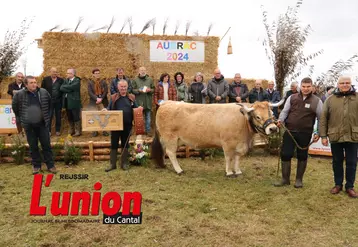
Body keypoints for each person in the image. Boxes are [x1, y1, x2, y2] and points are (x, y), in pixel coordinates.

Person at [276, 77, 322, 188]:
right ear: (300, 86)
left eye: (308, 87)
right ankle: (285, 179)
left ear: (312, 87)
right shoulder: (292, 98)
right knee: (286, 154)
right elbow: (285, 111)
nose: (305, 89)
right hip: (289, 131)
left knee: (302, 156)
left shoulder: (317, 101)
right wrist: (280, 120)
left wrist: (318, 132)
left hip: (305, 133)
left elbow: (321, 118)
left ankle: (299, 180)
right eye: (303, 86)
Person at [319, 76, 358, 198]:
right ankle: (338, 184)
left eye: (347, 83)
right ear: (338, 84)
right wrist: (323, 136)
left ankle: (350, 186)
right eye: (342, 83)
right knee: (337, 162)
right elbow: (324, 118)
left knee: (352, 162)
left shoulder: (357, 98)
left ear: (351, 84)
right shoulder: (330, 99)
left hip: (353, 136)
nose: (345, 85)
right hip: (335, 136)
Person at [12, 76, 57, 175]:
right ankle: (36, 166)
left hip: (42, 124)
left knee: (46, 145)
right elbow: (15, 108)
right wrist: (22, 120)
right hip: (29, 126)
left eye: (35, 82)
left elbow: (50, 105)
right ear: (26, 84)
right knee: (33, 146)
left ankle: (50, 165)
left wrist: (48, 118)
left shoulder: (43, 92)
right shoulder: (19, 95)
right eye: (31, 83)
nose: (34, 84)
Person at [104, 79, 141, 172]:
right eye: (121, 87)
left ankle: (124, 163)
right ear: (118, 87)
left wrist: (139, 109)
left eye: (125, 86)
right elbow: (109, 109)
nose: (123, 88)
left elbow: (136, 109)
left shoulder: (132, 97)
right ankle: (112, 165)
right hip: (115, 125)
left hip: (127, 125)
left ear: (127, 87)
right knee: (114, 144)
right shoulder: (113, 97)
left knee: (125, 144)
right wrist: (105, 110)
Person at [132, 67, 155, 136]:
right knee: (139, 118)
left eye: (144, 70)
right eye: (141, 70)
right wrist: (138, 91)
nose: (143, 71)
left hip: (148, 102)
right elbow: (132, 90)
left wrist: (150, 90)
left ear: (146, 71)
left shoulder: (150, 79)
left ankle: (148, 131)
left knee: (148, 118)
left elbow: (153, 89)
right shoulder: (135, 80)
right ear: (139, 71)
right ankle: (140, 131)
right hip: (139, 102)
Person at [41, 67, 64, 136]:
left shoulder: (61, 80)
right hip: (49, 102)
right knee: (49, 116)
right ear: (50, 72)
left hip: (58, 101)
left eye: (56, 72)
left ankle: (57, 130)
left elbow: (63, 91)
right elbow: (42, 90)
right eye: (53, 72)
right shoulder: (45, 79)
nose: (55, 73)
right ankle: (48, 131)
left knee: (58, 116)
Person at [60, 68, 82, 137]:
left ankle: (78, 131)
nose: (67, 74)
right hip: (67, 101)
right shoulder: (66, 80)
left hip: (74, 101)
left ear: (72, 74)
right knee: (69, 116)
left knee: (76, 116)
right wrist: (70, 90)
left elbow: (74, 87)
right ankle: (71, 130)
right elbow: (61, 88)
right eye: (67, 73)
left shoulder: (77, 80)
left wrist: (66, 88)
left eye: (68, 73)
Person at [87, 68, 109, 137]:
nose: (97, 74)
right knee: (94, 116)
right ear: (93, 74)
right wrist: (96, 98)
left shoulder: (103, 82)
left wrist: (101, 98)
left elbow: (105, 91)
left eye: (98, 73)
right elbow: (90, 92)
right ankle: (95, 131)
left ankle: (104, 130)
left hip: (103, 101)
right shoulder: (90, 82)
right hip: (94, 101)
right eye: (96, 73)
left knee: (103, 115)